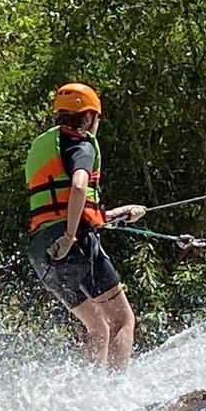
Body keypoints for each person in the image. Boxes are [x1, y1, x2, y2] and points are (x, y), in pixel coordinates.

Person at [25, 82, 146, 371]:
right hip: (71, 244)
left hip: (42, 251)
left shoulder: (44, 146)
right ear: (89, 116)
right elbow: (79, 186)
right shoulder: (80, 144)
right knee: (122, 320)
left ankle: (91, 389)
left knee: (97, 326)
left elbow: (66, 206)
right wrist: (69, 237)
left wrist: (115, 214)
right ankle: (114, 389)